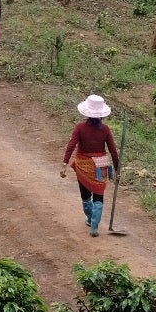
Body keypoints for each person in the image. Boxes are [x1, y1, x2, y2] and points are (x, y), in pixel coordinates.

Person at [60, 94, 119, 237]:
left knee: (85, 194)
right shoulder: (105, 129)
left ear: (86, 112)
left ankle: (89, 217)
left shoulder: (80, 127)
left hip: (83, 166)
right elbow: (113, 150)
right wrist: (117, 169)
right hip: (101, 167)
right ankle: (94, 225)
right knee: (98, 196)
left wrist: (65, 164)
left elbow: (71, 145)